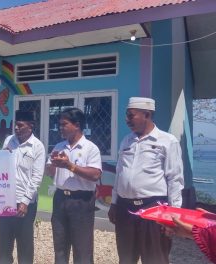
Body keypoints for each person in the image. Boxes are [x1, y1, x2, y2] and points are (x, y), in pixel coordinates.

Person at [108, 97, 184, 264]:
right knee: (126, 258)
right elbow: (120, 174)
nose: (127, 120)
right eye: (127, 115)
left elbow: (175, 179)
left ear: (147, 114)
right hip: (125, 208)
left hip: (154, 208)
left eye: (131, 115)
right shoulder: (126, 141)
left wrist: (173, 214)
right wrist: (114, 203)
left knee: (155, 258)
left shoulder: (167, 141)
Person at [45, 107, 102, 264]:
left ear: (77, 125)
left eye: (64, 124)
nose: (60, 128)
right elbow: (49, 172)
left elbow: (95, 175)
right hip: (60, 199)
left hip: (81, 201)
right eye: (60, 124)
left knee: (82, 249)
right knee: (60, 246)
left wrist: (69, 165)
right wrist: (53, 164)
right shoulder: (58, 147)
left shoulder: (90, 148)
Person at [0, 110, 46, 264]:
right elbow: (1, 168)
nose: (16, 128)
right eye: (15, 125)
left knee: (24, 242)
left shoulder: (37, 146)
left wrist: (25, 201)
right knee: (4, 239)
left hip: (25, 202)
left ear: (30, 126)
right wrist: (2, 156)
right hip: (6, 199)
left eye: (20, 125)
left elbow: (36, 178)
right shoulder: (9, 141)